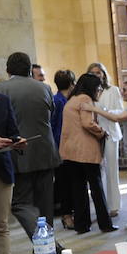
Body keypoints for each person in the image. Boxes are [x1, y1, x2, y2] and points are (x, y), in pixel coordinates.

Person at [0, 52, 62, 251]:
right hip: (45, 150)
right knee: (45, 204)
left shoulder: (0, 89)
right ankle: (46, 246)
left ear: (7, 70)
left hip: (17, 152)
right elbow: (51, 114)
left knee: (20, 203)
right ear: (28, 69)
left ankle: (46, 243)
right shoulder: (44, 87)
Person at [59, 74, 117, 234]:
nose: (99, 90)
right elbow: (87, 123)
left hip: (70, 151)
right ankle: (105, 224)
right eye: (98, 87)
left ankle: (82, 225)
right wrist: (101, 132)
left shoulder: (72, 98)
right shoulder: (85, 99)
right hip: (85, 151)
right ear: (92, 87)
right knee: (97, 188)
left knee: (78, 188)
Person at [0, 94, 24, 254]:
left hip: (0, 169)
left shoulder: (2, 100)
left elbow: (12, 132)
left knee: (1, 224)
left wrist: (17, 142)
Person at [87, 62, 123, 217]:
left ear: (103, 74)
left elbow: (120, 111)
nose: (96, 75)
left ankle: (114, 206)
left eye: (99, 72)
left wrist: (104, 111)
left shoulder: (112, 90)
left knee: (111, 171)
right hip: (93, 134)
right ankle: (101, 206)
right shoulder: (88, 93)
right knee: (98, 172)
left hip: (110, 133)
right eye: (93, 73)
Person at [51, 69, 76, 229]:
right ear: (71, 84)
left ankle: (72, 213)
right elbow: (55, 127)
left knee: (71, 182)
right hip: (62, 147)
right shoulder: (59, 101)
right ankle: (67, 215)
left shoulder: (67, 99)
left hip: (69, 146)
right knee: (64, 183)